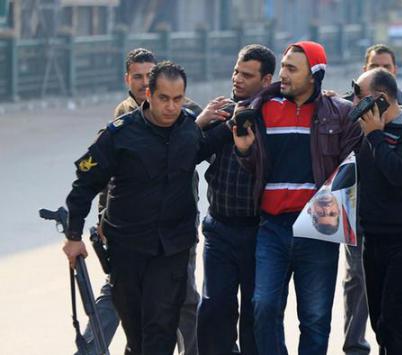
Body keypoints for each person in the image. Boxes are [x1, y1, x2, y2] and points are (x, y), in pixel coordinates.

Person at [62, 61, 233, 355]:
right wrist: (74, 237)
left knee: (161, 325)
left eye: (177, 99)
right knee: (137, 331)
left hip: (172, 249)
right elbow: (85, 185)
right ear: (149, 95)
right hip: (127, 249)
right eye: (164, 98)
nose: (170, 107)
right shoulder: (119, 134)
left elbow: (205, 148)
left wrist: (235, 122)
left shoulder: (189, 129)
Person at [232, 41, 362, 355]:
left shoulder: (340, 114)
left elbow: (354, 170)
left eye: (292, 68)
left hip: (319, 232)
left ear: (314, 75)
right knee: (263, 307)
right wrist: (244, 150)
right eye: (283, 67)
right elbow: (254, 165)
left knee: (315, 320)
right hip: (272, 228)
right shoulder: (262, 107)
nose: (283, 74)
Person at [80, 48, 202, 355]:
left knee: (183, 299)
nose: (143, 82)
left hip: (175, 229)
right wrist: (103, 219)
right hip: (129, 232)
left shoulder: (185, 111)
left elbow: (203, 147)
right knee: (121, 298)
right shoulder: (123, 119)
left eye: (149, 75)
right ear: (129, 80)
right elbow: (107, 178)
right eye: (138, 76)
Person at [342, 43, 402, 355]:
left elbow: (398, 172)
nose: (353, 103)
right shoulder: (362, 129)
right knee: (380, 321)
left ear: (379, 99)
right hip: (373, 237)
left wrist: (376, 135)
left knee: (396, 317)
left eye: (359, 96)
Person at [195, 44, 276, 355]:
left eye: (247, 74)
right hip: (219, 229)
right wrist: (203, 124)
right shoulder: (222, 111)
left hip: (260, 231)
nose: (237, 79)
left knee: (256, 314)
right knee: (215, 310)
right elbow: (190, 154)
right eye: (235, 72)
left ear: (266, 80)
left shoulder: (274, 115)